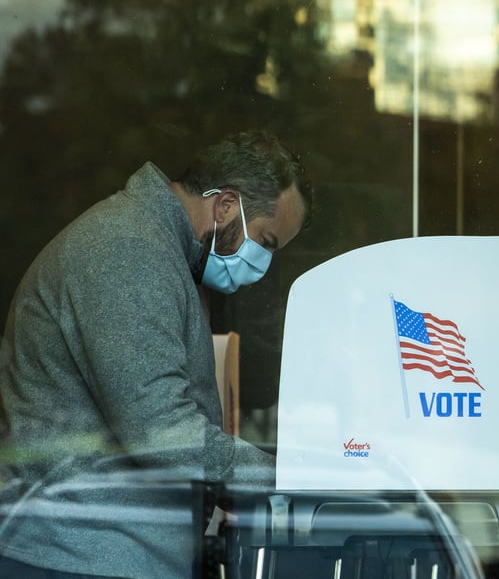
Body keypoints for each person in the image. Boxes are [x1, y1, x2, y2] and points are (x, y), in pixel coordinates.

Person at [0, 130, 313, 578]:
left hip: (95, 551)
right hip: (76, 555)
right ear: (226, 205)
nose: (263, 265)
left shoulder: (158, 249)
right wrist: (284, 478)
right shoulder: (127, 249)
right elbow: (159, 429)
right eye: (265, 241)